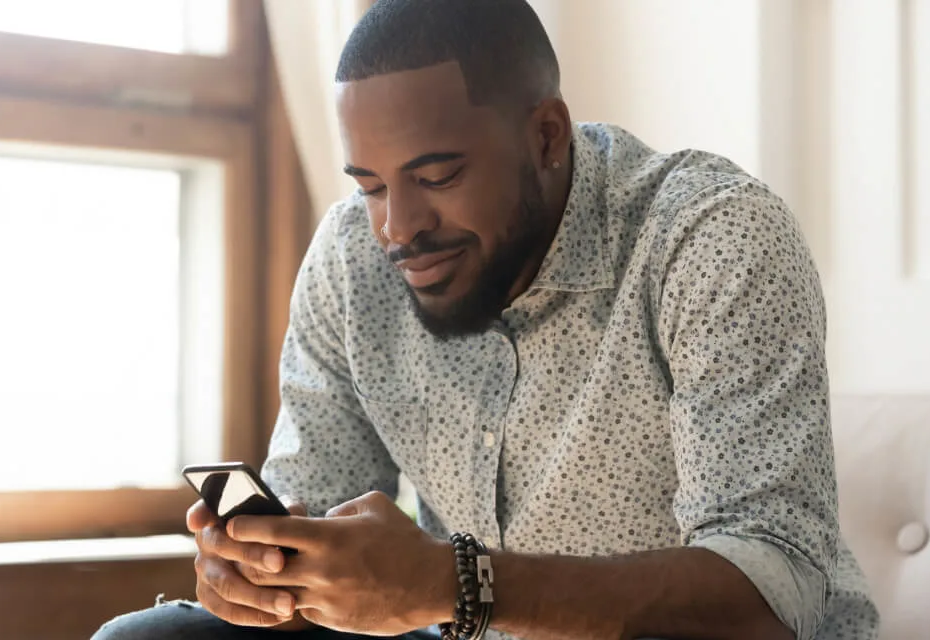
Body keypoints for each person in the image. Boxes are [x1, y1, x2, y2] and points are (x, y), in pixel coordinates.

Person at [93, 0, 879, 638]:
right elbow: (316, 515)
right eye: (369, 185)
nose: (397, 227)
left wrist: (457, 584)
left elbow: (773, 594)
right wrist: (267, 578)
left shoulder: (711, 236)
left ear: (545, 135)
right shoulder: (351, 259)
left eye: (436, 175)